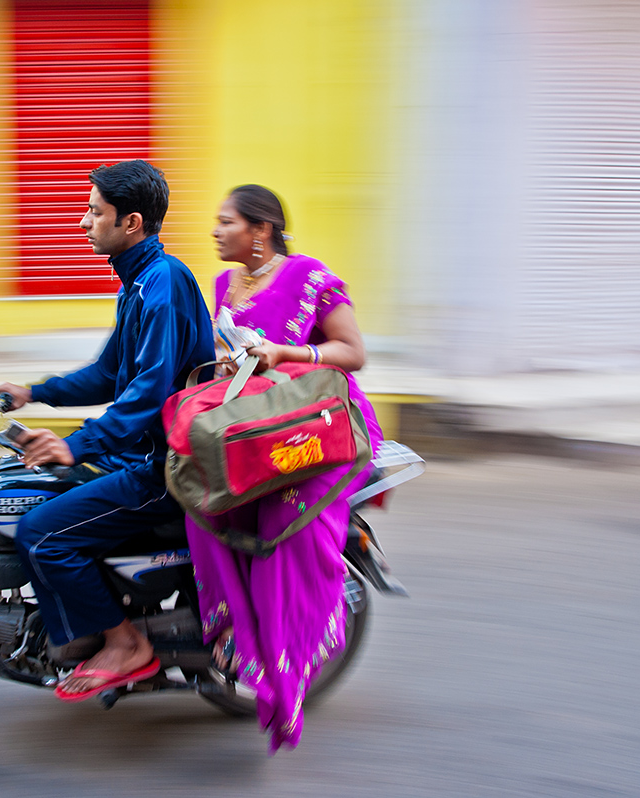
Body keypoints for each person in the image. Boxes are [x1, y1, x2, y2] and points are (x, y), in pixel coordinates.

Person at [0, 160, 214, 701]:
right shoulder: (139, 283)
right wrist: (34, 393)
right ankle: (80, 630)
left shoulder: (163, 284)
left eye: (95, 211)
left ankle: (125, 644)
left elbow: (148, 394)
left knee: (42, 533)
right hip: (137, 456)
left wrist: (74, 444)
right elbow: (110, 373)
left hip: (162, 469)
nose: (82, 221)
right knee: (24, 491)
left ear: (131, 222)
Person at [188, 184, 383, 751]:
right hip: (255, 422)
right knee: (201, 503)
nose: (216, 231)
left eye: (226, 222)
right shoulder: (226, 284)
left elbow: (353, 353)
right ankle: (235, 636)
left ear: (261, 230)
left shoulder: (310, 276)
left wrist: (286, 353)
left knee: (280, 529)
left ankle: (285, 666)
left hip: (315, 429)